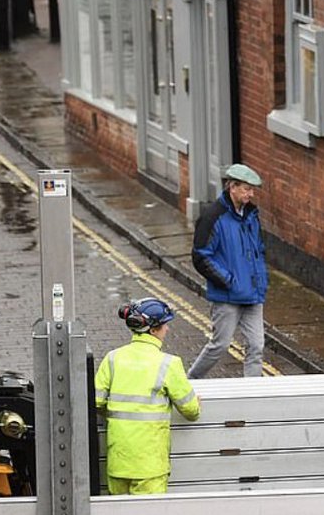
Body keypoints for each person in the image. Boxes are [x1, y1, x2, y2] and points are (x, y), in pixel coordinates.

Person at [95, 297, 201, 495]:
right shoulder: (168, 364)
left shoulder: (112, 359)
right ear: (153, 330)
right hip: (150, 465)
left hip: (119, 461)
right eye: (164, 325)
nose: (167, 330)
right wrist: (196, 404)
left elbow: (96, 402)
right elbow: (191, 410)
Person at [187, 163, 268, 379]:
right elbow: (200, 256)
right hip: (227, 295)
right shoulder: (212, 216)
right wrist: (228, 281)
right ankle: (190, 381)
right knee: (220, 346)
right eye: (247, 189)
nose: (251, 194)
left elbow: (257, 249)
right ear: (232, 187)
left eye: (252, 190)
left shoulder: (251, 215)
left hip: (252, 293)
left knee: (256, 346)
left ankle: (252, 396)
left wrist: (259, 280)